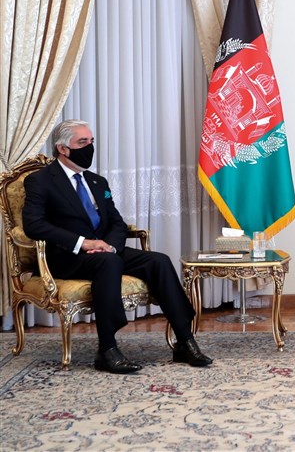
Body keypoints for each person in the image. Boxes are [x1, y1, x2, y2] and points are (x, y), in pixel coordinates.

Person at [22, 120, 213, 374]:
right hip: (67, 256)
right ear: (63, 148)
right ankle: (107, 349)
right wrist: (84, 243)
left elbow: (117, 223)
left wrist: (110, 246)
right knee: (109, 262)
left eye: (91, 141)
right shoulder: (40, 181)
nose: (89, 147)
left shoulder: (97, 182)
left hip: (105, 251)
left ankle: (184, 341)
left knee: (159, 261)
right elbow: (34, 225)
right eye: (82, 142)